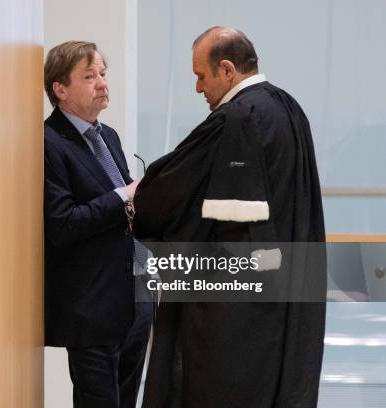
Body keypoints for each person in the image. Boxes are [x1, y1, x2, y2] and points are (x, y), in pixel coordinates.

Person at [134, 27, 326, 407]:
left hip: (234, 306)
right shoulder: (288, 109)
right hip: (282, 295)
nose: (198, 88)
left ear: (226, 69)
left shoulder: (236, 119)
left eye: (200, 76)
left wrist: (137, 198)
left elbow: (165, 194)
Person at [43, 41, 152, 408]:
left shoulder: (109, 137)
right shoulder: (46, 143)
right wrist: (125, 195)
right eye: (89, 76)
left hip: (133, 304)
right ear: (60, 89)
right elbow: (63, 223)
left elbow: (126, 213)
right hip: (90, 309)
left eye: (103, 74)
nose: (102, 83)